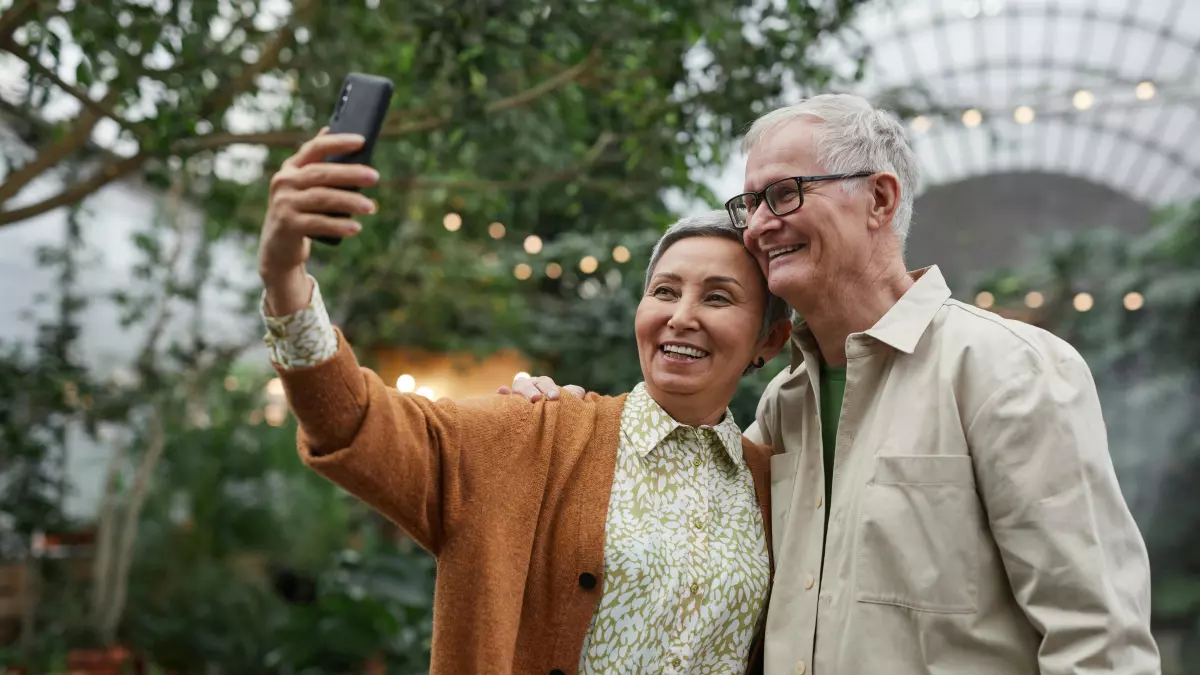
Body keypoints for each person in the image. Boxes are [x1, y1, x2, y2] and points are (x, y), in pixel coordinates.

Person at [504, 94, 1160, 675]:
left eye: (784, 194)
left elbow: (1097, 640)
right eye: (750, 202)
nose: (758, 224)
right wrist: (565, 425)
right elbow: (674, 521)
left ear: (879, 198)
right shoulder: (782, 408)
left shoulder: (1005, 369)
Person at [256, 131, 794, 675]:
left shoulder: (781, 490)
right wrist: (284, 277)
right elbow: (353, 422)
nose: (681, 316)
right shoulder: (531, 437)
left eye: (718, 296)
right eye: (664, 291)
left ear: (769, 342)